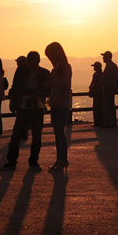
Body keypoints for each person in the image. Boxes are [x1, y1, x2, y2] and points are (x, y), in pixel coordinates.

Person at [2, 50, 50, 170]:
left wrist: (36, 92)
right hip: (27, 106)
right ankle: (28, 161)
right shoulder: (36, 72)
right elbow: (14, 87)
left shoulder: (43, 73)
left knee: (30, 135)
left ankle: (21, 161)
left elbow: (48, 90)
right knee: (22, 135)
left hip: (35, 106)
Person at [44, 42, 72, 172]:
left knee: (60, 132)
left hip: (62, 103)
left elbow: (64, 85)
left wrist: (52, 83)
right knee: (57, 132)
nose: (49, 59)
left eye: (50, 56)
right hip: (55, 103)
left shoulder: (65, 68)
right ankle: (60, 159)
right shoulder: (55, 69)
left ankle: (63, 159)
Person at [100, 50, 118, 128]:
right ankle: (111, 122)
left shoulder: (110, 66)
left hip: (109, 89)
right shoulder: (112, 65)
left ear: (107, 57)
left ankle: (109, 123)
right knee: (110, 105)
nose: (103, 58)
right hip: (110, 88)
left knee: (108, 105)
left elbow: (109, 78)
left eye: (104, 56)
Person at [88, 61, 105, 127]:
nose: (93, 68)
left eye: (94, 67)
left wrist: (91, 87)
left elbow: (94, 84)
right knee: (100, 109)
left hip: (97, 94)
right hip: (100, 94)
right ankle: (100, 122)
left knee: (96, 109)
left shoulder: (96, 75)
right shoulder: (102, 74)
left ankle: (97, 123)